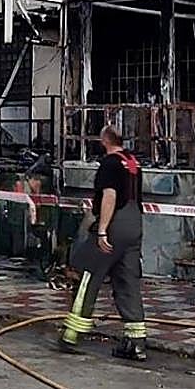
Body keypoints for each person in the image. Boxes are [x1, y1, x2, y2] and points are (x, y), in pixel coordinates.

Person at [59, 124, 147, 361]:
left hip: (115, 223)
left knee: (88, 273)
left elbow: (110, 196)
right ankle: (135, 343)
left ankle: (72, 334)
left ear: (104, 141)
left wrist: (102, 231)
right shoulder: (133, 162)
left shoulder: (108, 164)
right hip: (135, 224)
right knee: (127, 281)